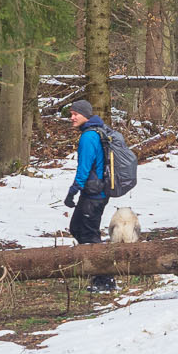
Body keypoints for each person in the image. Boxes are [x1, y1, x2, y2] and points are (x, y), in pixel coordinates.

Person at [63, 99, 118, 293]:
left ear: (85, 114)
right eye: (71, 114)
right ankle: (96, 270)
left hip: (94, 193)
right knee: (77, 228)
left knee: (89, 232)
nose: (72, 117)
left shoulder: (88, 137)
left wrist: (73, 190)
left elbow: (84, 167)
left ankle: (105, 278)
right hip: (97, 191)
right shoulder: (98, 131)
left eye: (75, 114)